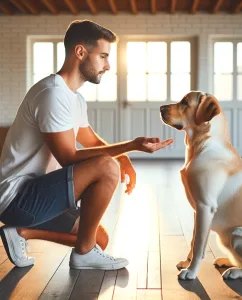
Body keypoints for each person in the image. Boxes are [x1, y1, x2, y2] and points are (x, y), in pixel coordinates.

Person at [0, 20, 173, 270]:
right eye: (103, 56)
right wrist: (130, 147)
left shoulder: (75, 99)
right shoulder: (52, 94)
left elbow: (91, 141)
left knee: (97, 238)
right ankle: (83, 254)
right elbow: (68, 157)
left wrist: (125, 157)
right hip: (18, 198)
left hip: (39, 193)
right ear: (80, 52)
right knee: (106, 166)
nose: (108, 65)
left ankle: (23, 232)